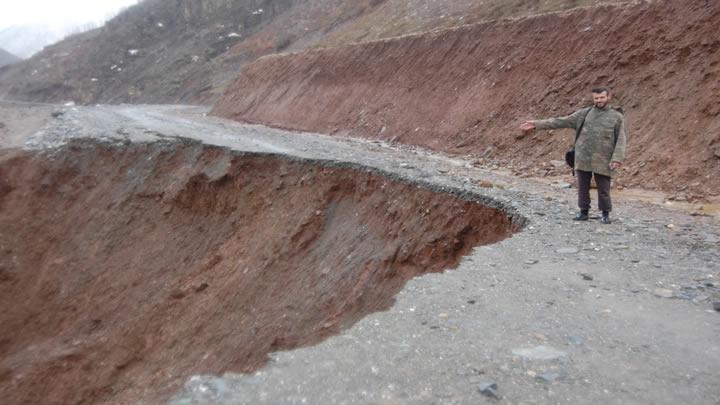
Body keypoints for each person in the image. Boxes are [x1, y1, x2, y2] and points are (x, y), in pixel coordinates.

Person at [519, 88, 627, 224]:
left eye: (601, 97)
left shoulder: (616, 117)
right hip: (582, 157)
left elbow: (621, 140)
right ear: (593, 99)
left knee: (603, 189)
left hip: (604, 159)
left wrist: (617, 158)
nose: (599, 100)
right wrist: (536, 124)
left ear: (608, 97)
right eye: (596, 98)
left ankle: (605, 214)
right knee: (582, 187)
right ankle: (583, 212)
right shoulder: (584, 114)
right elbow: (560, 121)